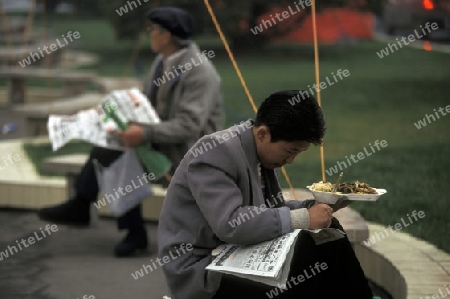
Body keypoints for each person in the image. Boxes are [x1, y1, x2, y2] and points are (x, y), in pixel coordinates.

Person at [38, 7, 223, 257]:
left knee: (118, 155)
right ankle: (109, 220)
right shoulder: (162, 61)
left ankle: (99, 214)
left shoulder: (199, 71)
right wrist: (118, 117)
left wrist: (143, 134)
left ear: (166, 35)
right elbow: (146, 106)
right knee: (111, 143)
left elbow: (189, 125)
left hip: (189, 153)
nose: (149, 35)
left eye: (152, 30)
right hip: (162, 143)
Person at [158, 90, 374, 298]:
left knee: (329, 229)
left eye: (298, 153)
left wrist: (318, 206)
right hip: (203, 269)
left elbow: (270, 213)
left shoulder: (261, 154)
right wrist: (304, 218)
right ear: (262, 133)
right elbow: (232, 224)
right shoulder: (215, 151)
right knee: (303, 265)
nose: (291, 161)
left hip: (236, 252)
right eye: (290, 151)